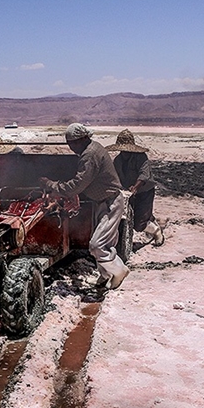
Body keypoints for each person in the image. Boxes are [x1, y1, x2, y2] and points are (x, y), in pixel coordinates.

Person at [39, 123, 130, 290]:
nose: (71, 147)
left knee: (97, 244)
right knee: (103, 242)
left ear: (83, 139)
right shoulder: (90, 149)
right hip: (101, 201)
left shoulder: (90, 155)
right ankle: (105, 275)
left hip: (110, 202)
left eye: (72, 143)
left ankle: (119, 271)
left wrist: (51, 185)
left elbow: (76, 186)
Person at [107, 129, 164, 246]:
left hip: (144, 191)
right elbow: (114, 177)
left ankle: (157, 232)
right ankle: (151, 221)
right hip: (128, 193)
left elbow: (144, 175)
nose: (124, 153)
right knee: (130, 217)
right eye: (122, 150)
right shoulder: (117, 160)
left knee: (139, 224)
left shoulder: (141, 157)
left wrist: (136, 187)